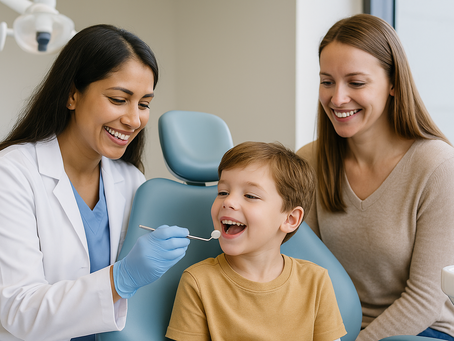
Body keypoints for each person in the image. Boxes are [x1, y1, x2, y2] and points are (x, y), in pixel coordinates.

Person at [0, 25, 190, 341]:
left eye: (144, 104)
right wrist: (121, 278)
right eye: (119, 99)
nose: (133, 119)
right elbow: (19, 310)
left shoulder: (131, 181)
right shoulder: (12, 173)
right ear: (72, 94)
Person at [297, 13, 454, 341]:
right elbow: (301, 271)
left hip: (421, 331)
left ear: (393, 83)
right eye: (327, 81)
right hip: (335, 329)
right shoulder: (310, 161)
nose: (337, 98)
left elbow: (425, 299)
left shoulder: (437, 167)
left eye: (356, 82)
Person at [165, 141, 347, 341]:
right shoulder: (197, 282)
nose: (228, 202)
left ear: (290, 219)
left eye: (250, 195)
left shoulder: (316, 281)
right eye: (223, 192)